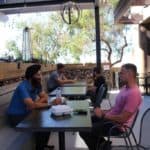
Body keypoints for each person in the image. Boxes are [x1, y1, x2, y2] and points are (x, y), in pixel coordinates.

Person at [79, 63, 142, 150]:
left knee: (85, 130)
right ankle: (103, 145)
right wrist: (103, 112)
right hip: (111, 119)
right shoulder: (125, 88)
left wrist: (103, 115)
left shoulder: (133, 93)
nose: (119, 75)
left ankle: (102, 146)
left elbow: (123, 118)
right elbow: (116, 108)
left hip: (117, 126)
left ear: (130, 74)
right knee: (84, 123)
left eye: (121, 73)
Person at [7, 64, 59, 150]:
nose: (40, 77)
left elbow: (45, 97)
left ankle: (42, 145)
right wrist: (51, 104)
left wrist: (35, 103)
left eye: (41, 74)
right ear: (31, 76)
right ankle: (40, 147)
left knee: (48, 120)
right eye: (38, 75)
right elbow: (32, 106)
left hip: (27, 112)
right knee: (43, 123)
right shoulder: (22, 87)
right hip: (16, 117)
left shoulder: (36, 85)